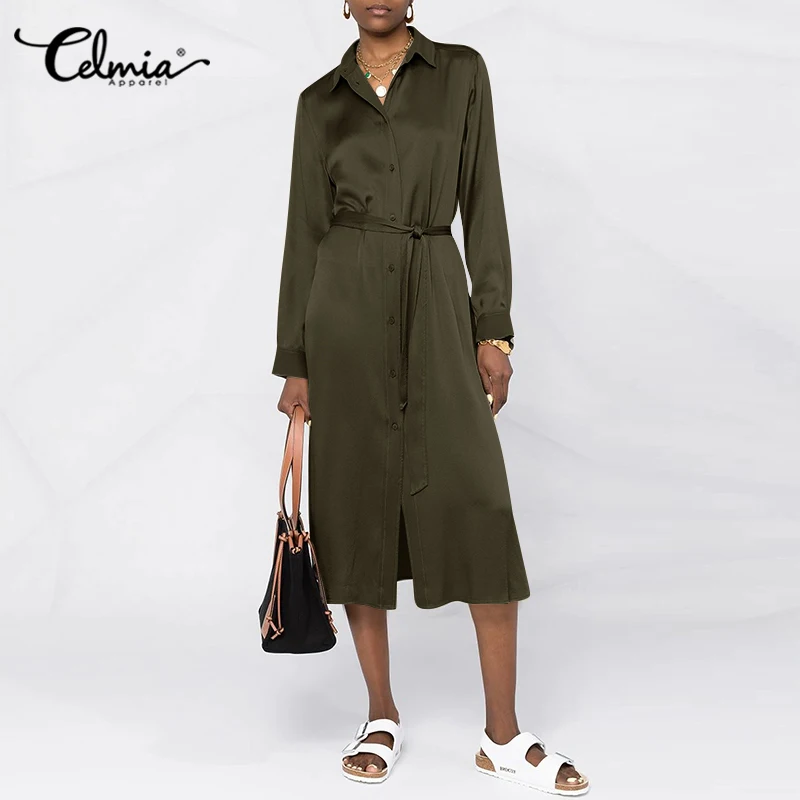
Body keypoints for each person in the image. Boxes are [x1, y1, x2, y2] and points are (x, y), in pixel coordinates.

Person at [271, 1, 589, 793]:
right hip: (344, 315)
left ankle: (503, 736)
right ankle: (380, 713)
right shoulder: (319, 102)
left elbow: (483, 200)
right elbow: (304, 231)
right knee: (353, 508)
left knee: (478, 501)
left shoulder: (461, 73)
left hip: (438, 299)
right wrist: (296, 361)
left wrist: (494, 329)